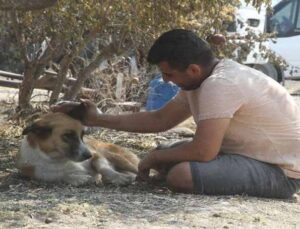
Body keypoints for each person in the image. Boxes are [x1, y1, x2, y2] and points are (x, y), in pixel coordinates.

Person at [51, 29, 300, 199]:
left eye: (169, 74)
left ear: (192, 69)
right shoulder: (201, 79)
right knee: (165, 153)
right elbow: (160, 119)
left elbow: (204, 151)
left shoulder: (220, 84)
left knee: (180, 174)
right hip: (247, 156)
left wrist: (151, 161)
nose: (166, 81)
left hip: (280, 172)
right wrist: (96, 118)